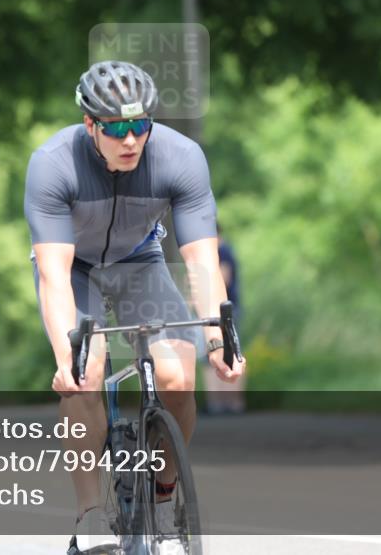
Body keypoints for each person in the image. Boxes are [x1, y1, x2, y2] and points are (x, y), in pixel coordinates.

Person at [24, 60, 247, 553]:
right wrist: (69, 358)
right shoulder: (53, 163)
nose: (130, 140)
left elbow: (203, 263)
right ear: (90, 125)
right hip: (74, 267)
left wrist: (218, 341)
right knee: (88, 369)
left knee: (177, 373)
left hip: (139, 260)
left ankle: (166, 491)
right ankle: (91, 517)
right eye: (117, 128)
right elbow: (54, 277)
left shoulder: (180, 158)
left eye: (140, 125)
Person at [203, 223, 246, 415]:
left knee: (227, 354)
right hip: (224, 308)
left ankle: (229, 403)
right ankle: (223, 404)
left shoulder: (222, 251)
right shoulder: (224, 250)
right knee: (225, 355)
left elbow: (224, 278)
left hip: (224, 310)